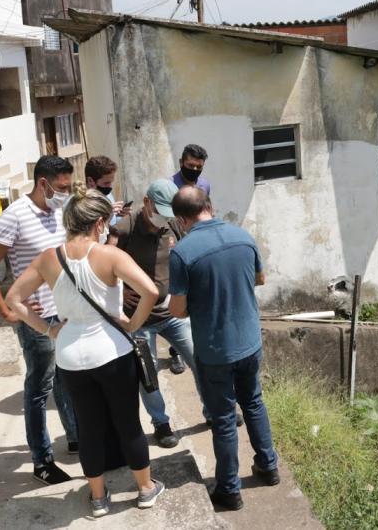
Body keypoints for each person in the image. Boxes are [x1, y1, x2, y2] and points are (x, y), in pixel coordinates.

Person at [5, 184, 165, 518]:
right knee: (127, 423)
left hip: (69, 354)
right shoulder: (109, 255)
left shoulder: (50, 257)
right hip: (110, 350)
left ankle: (98, 499)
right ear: (97, 223)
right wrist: (133, 324)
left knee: (88, 427)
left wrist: (48, 329)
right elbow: (150, 290)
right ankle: (146, 489)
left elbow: (13, 301)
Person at [169, 186, 280, 511]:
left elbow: (177, 310)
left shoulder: (183, 252)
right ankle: (269, 466)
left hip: (215, 350)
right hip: (249, 341)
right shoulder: (243, 236)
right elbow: (260, 279)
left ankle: (230, 490)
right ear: (210, 206)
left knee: (223, 418)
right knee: (254, 402)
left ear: (181, 219)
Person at [0, 155, 79, 485]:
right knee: (39, 388)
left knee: (67, 379)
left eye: (70, 186)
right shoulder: (15, 216)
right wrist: (4, 310)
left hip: (66, 311)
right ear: (43, 183)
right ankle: (42, 460)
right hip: (37, 318)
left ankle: (76, 437)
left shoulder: (62, 212)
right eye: (62, 187)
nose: (67, 192)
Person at [114, 179, 241, 447]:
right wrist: (119, 291)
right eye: (159, 211)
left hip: (172, 314)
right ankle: (161, 423)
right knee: (147, 374)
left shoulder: (173, 225)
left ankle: (213, 411)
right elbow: (104, 264)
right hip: (138, 319)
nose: (163, 219)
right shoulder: (125, 228)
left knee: (200, 360)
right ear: (146, 202)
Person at [168, 143, 211, 373]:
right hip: (178, 244)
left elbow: (208, 210)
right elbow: (164, 218)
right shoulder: (169, 186)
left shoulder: (204, 185)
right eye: (190, 165)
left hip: (200, 243)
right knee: (180, 295)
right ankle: (177, 353)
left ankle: (196, 343)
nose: (194, 169)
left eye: (198, 166)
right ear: (181, 163)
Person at [84, 155, 129, 230]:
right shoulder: (81, 203)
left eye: (111, 182)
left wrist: (120, 215)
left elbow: (113, 222)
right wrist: (106, 214)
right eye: (106, 183)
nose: (110, 186)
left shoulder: (108, 195)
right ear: (90, 181)